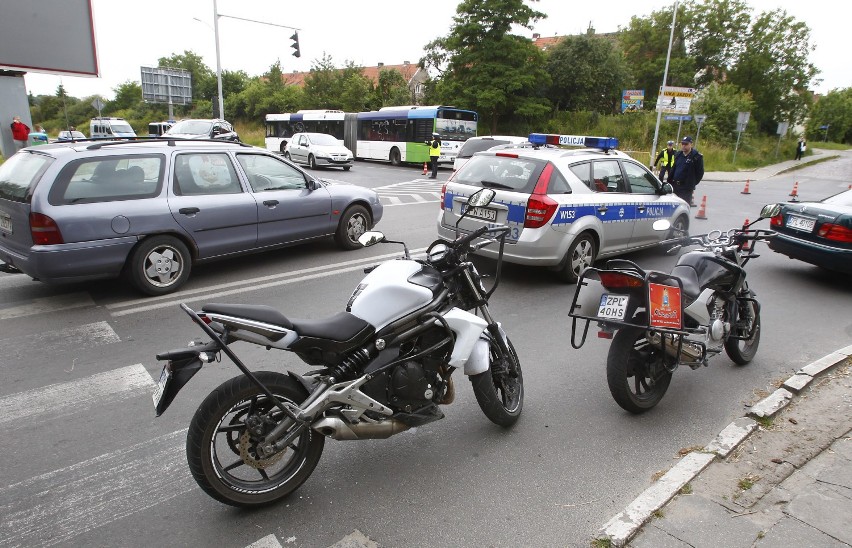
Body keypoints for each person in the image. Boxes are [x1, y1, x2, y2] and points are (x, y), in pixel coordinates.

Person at [670, 136, 704, 206]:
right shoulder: (678, 155)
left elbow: (700, 173)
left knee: (683, 207)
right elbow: (673, 169)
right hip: (675, 186)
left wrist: (692, 183)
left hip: (686, 188)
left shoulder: (696, 157)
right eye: (682, 144)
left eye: (686, 144)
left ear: (691, 144)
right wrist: (669, 181)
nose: (683, 146)